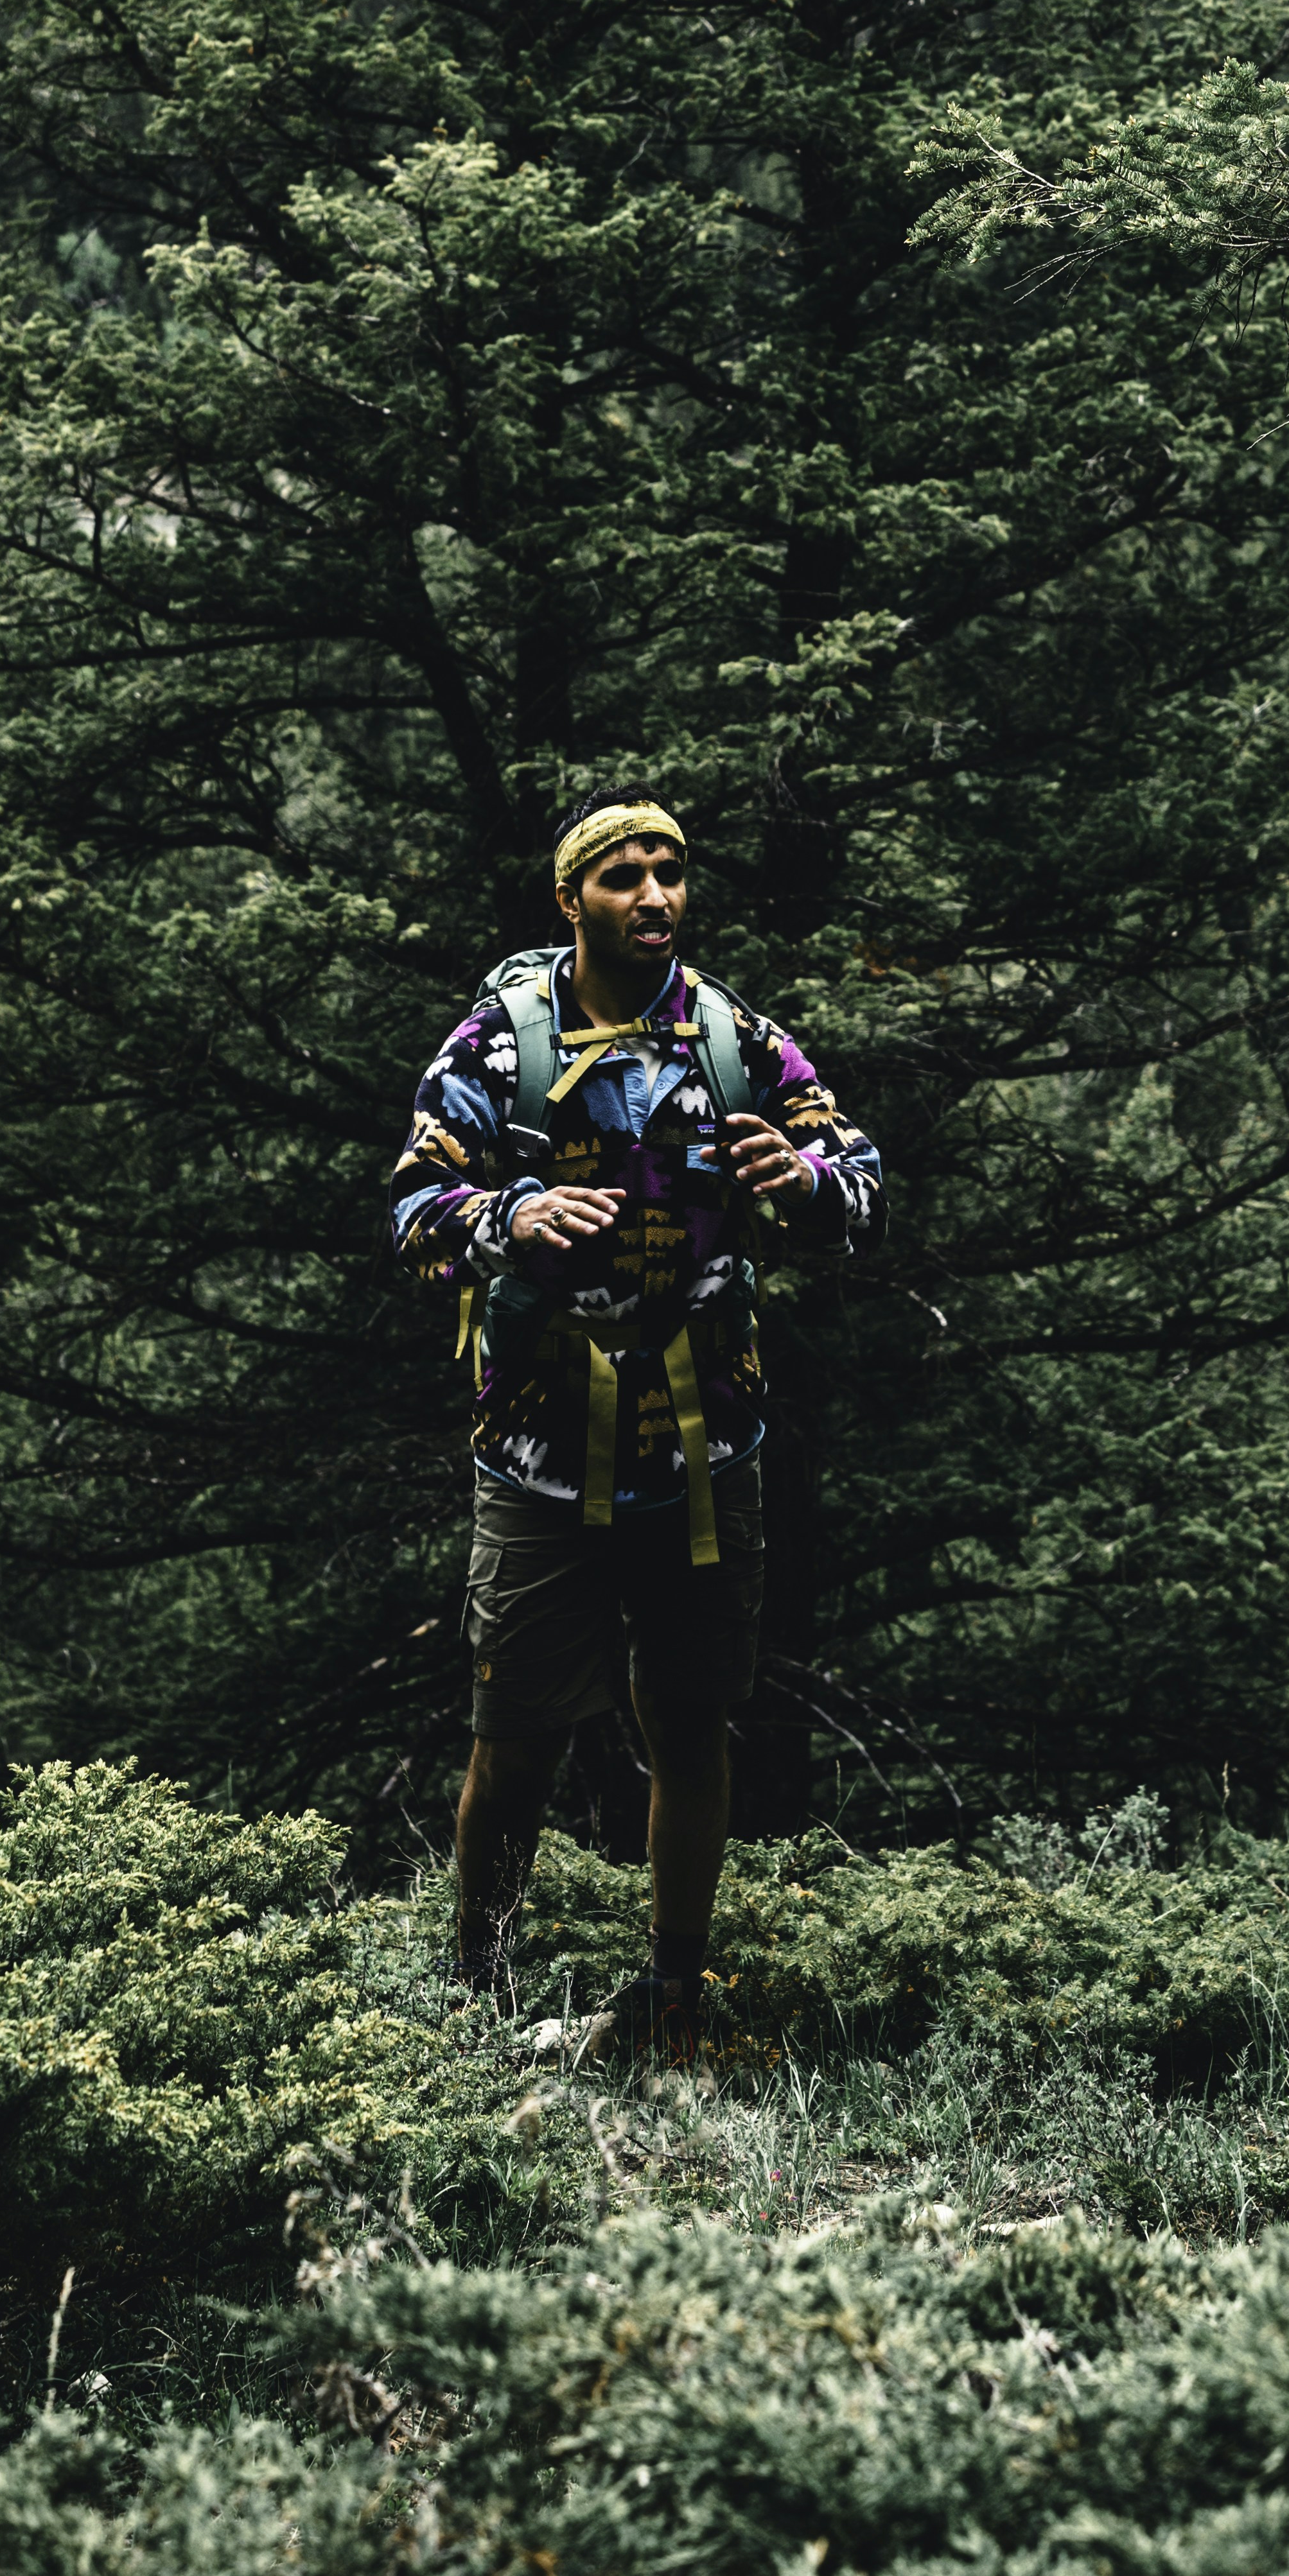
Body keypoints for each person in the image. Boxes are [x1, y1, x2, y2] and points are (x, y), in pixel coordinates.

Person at [391, 790, 882, 2057]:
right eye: (622, 876)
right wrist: (507, 1218)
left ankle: (673, 1996)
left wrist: (807, 1179)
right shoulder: (498, 1043)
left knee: (689, 1720)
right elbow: (410, 1202)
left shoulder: (737, 1041)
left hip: (705, 1448)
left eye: (669, 872)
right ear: (573, 900)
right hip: (539, 1451)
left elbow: (861, 1180)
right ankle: (476, 1992)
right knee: (514, 1739)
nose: (654, 896)